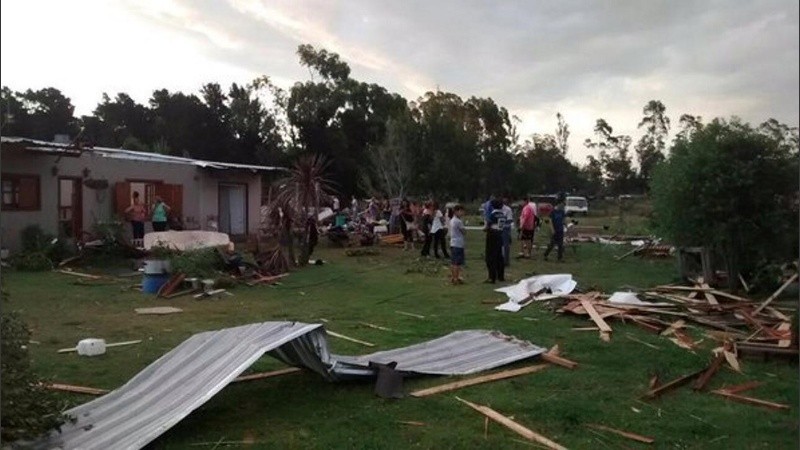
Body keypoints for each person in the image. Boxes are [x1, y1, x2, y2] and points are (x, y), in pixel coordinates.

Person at [484, 198, 506, 283]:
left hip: (492, 235)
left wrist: (485, 229)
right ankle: (500, 276)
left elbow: (488, 225)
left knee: (490, 256)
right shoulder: (503, 214)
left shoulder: (493, 214)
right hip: (500, 234)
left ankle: (491, 277)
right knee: (499, 256)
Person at [544, 194, 566, 262]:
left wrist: (565, 225)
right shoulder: (553, 211)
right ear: (559, 204)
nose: (563, 206)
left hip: (560, 229)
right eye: (562, 204)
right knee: (552, 244)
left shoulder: (562, 211)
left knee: (560, 245)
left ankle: (560, 258)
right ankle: (546, 255)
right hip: (554, 229)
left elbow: (563, 220)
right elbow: (550, 221)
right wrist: (552, 229)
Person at [449, 204, 466, 285]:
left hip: (453, 242)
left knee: (453, 262)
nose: (462, 213)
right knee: (457, 263)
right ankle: (456, 278)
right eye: (461, 211)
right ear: (456, 211)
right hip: (458, 243)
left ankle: (454, 277)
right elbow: (464, 231)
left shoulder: (452, 220)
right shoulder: (458, 221)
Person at [501, 197, 514, 267]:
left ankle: (506, 261)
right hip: (498, 229)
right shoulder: (497, 209)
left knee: (506, 246)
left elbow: (509, 220)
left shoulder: (508, 210)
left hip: (505, 229)